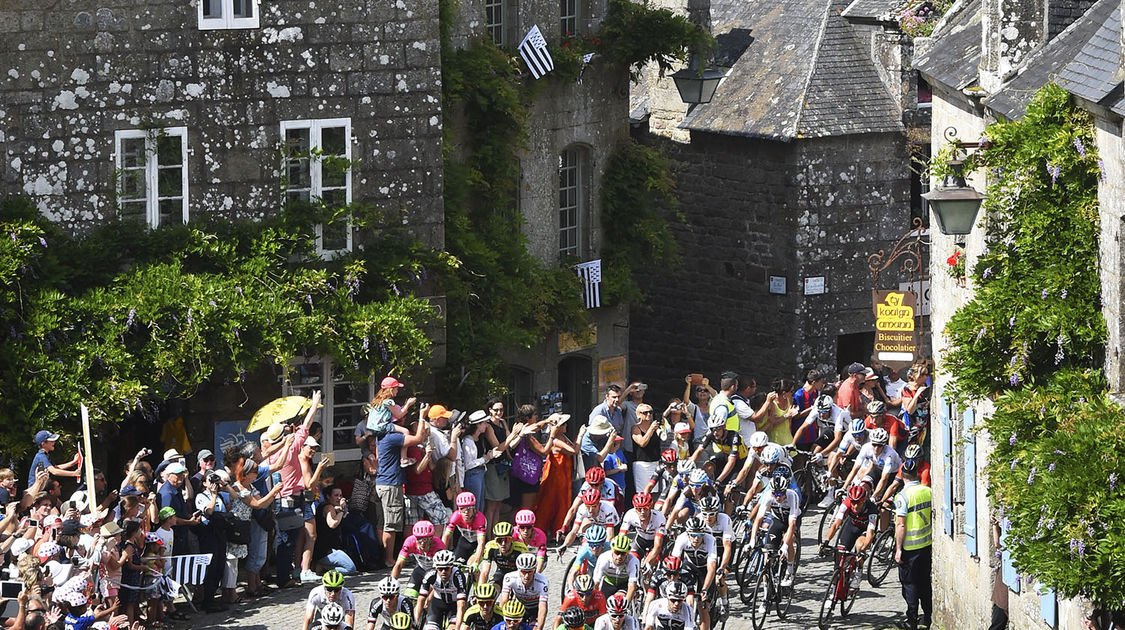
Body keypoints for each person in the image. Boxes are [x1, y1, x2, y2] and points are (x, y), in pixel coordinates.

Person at [274, 389, 323, 586]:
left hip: (280, 498)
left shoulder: (270, 451)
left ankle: (285, 575)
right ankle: (284, 578)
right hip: (291, 498)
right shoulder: (293, 449)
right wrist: (314, 404)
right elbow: (307, 424)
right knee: (288, 540)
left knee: (285, 539)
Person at [375, 403, 430, 568]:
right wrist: (421, 415)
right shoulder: (392, 437)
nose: (403, 422)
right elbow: (419, 438)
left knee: (383, 523)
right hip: (391, 484)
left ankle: (384, 556)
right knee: (391, 525)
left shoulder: (381, 436)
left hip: (383, 483)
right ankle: (389, 559)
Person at [894, 461, 933, 630]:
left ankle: (911, 620)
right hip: (926, 544)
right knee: (924, 582)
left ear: (902, 476)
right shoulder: (928, 491)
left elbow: (901, 525)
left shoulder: (902, 496)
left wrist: (898, 549)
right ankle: (928, 617)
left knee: (909, 584)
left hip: (910, 548)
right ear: (917, 473)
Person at [819, 483, 879, 589]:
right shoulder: (846, 503)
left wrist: (863, 550)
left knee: (860, 546)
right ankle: (834, 588)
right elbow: (836, 524)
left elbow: (870, 534)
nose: (855, 506)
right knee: (840, 553)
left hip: (864, 530)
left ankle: (858, 573)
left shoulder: (872, 509)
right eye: (853, 502)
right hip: (851, 526)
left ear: (864, 500)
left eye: (859, 502)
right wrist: (826, 541)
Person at [749, 467, 800, 588]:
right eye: (774, 494)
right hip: (777, 520)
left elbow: (792, 524)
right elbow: (758, 519)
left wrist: (785, 546)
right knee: (768, 553)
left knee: (789, 539)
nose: (777, 497)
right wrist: (752, 540)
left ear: (785, 490)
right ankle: (767, 591)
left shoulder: (792, 496)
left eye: (780, 494)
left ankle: (789, 569)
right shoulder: (768, 495)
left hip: (791, 521)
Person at [536, 414, 578, 537]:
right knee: (550, 503)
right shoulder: (556, 440)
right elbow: (573, 450)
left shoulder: (563, 438)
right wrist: (580, 435)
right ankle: (548, 531)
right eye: (563, 424)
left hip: (564, 475)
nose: (566, 426)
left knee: (562, 503)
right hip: (555, 476)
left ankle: (557, 530)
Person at [669, 518, 715, 630]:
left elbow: (711, 567)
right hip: (689, 567)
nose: (696, 538)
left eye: (700, 535)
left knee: (703, 607)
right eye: (693, 535)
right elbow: (674, 562)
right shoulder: (682, 538)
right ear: (688, 533)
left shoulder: (710, 540)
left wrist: (705, 589)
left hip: (705, 570)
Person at [394, 519, 447, 598]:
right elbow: (398, 565)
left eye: (425, 539)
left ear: (431, 538)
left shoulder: (439, 546)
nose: (422, 543)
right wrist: (392, 583)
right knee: (410, 595)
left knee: (428, 598)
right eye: (419, 539)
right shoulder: (410, 542)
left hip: (435, 573)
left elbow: (443, 573)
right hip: (420, 570)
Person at [417, 550, 468, 630]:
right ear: (436, 567)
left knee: (452, 628)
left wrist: (457, 628)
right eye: (440, 569)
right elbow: (420, 600)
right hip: (437, 605)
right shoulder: (430, 575)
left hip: (454, 606)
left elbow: (461, 605)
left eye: (447, 568)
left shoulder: (458, 576)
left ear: (451, 567)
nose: (443, 572)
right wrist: (414, 623)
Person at [482, 397, 513, 529]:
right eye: (496, 410)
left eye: (501, 410)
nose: (499, 413)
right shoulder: (488, 425)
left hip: (503, 466)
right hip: (492, 465)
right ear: (490, 410)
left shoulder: (502, 422)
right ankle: (488, 537)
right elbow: (498, 447)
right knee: (491, 505)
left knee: (499, 504)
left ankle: (495, 535)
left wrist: (509, 430)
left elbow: (510, 444)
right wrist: (514, 434)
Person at [498, 553, 549, 630]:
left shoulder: (542, 582)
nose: (526, 576)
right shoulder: (510, 578)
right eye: (523, 572)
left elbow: (542, 608)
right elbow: (504, 601)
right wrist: (504, 621)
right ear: (518, 570)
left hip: (535, 609)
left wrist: (539, 628)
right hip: (518, 608)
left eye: (530, 572)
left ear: (535, 570)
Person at [313, 484, 357, 574]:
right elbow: (332, 524)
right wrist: (342, 509)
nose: (339, 498)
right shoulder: (328, 507)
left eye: (341, 495)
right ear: (328, 496)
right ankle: (322, 567)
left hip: (328, 549)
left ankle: (324, 567)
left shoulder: (328, 507)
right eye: (336, 495)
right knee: (351, 569)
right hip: (326, 551)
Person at [619, 492, 665, 567]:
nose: (642, 512)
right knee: (632, 560)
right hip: (641, 539)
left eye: (645, 508)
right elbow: (621, 537)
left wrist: (647, 563)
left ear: (650, 507)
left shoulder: (659, 517)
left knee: (652, 563)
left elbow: (657, 546)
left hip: (655, 541)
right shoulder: (630, 514)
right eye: (639, 509)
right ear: (634, 508)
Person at [444, 492, 487, 565]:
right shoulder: (455, 516)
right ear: (459, 509)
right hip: (465, 541)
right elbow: (446, 536)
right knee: (456, 565)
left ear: (474, 508)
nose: (466, 512)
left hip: (477, 544)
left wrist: (476, 562)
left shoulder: (479, 519)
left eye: (469, 508)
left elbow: (481, 543)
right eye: (463, 508)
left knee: (471, 565)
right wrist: (442, 553)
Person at [592, 534, 639, 602]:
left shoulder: (633, 561)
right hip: (608, 584)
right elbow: (596, 583)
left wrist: (626, 605)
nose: (619, 556)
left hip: (624, 585)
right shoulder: (604, 558)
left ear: (627, 553)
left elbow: (632, 586)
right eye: (617, 552)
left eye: (623, 553)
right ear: (612, 550)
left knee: (618, 600)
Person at [630, 404, 661, 494]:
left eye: (650, 412)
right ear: (638, 415)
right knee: (643, 493)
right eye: (645, 412)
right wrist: (651, 429)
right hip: (642, 464)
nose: (648, 415)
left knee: (655, 492)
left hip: (655, 463)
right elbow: (642, 443)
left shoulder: (655, 427)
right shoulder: (635, 428)